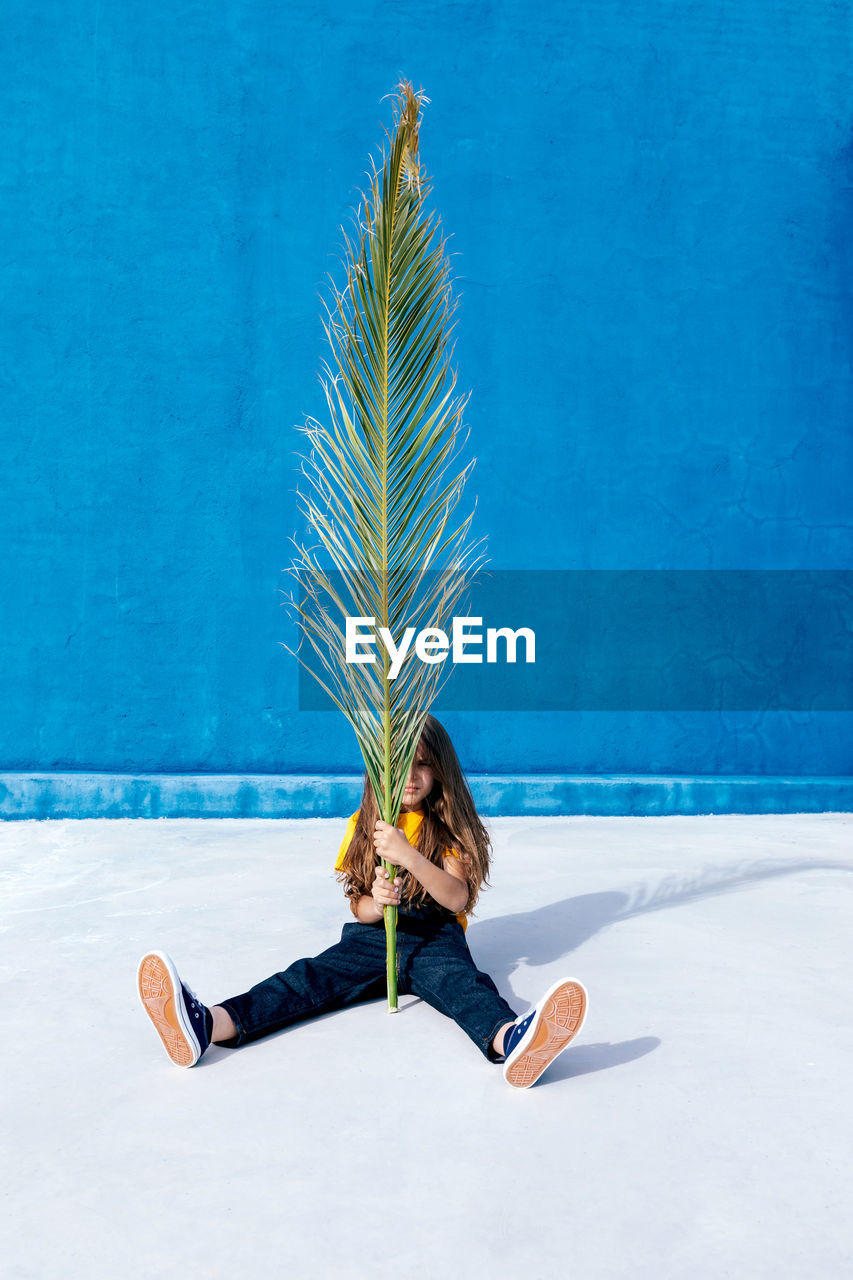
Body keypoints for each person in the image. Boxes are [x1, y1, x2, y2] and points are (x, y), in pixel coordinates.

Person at [137, 715, 588, 1089]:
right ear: (379, 767)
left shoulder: (447, 827)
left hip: (435, 937)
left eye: (425, 766)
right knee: (307, 979)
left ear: (441, 772)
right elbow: (358, 907)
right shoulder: (365, 823)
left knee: (464, 987)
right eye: (401, 764)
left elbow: (456, 898)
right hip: (374, 937)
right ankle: (207, 1024)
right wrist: (378, 900)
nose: (411, 777)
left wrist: (407, 856)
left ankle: (511, 1041)